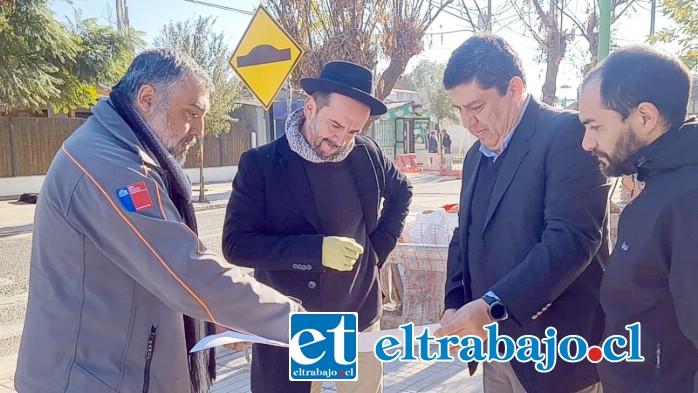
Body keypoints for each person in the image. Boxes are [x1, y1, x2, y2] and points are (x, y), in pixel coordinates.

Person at [14, 49, 302, 393]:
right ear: (147, 99)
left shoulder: (124, 152)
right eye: (191, 113)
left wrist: (212, 322)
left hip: (118, 371)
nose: (199, 129)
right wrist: (297, 323)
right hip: (93, 379)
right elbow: (182, 268)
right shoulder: (107, 165)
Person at [222, 60, 412, 393]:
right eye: (335, 125)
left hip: (358, 316)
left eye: (354, 131)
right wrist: (314, 251)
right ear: (310, 107)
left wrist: (376, 250)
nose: (341, 139)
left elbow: (402, 193)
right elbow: (236, 244)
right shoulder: (262, 164)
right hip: (298, 322)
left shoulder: (366, 154)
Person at [434, 35, 609, 393]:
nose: (468, 122)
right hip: (496, 348)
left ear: (514, 89)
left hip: (555, 353)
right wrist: (454, 303)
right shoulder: (476, 156)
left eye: (477, 106)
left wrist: (493, 306)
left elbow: (572, 239)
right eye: (460, 110)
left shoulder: (567, 135)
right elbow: (463, 235)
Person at [578, 45, 698, 393]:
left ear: (645, 116)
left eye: (595, 126)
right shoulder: (660, 182)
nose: (587, 142)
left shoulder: (687, 200)